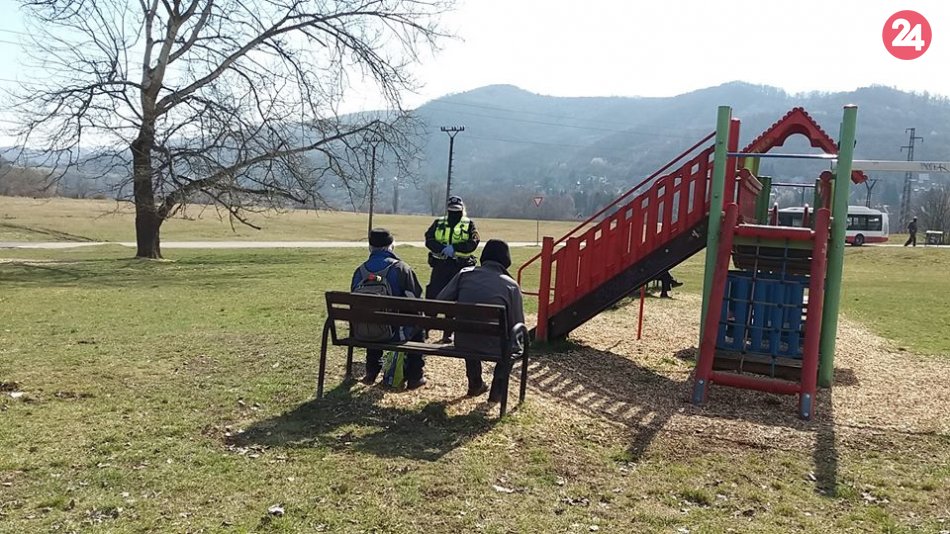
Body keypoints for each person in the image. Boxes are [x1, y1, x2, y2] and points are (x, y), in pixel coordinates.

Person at [437, 239, 525, 403]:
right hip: (495, 345)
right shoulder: (511, 286)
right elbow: (517, 324)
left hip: (464, 341)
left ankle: (475, 383)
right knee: (513, 346)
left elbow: (441, 301)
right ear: (506, 260)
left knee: (470, 328)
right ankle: (497, 391)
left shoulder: (464, 275)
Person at [351, 228, 426, 389]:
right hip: (394, 334)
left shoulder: (359, 271)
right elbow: (416, 302)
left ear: (370, 247)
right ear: (391, 246)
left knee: (372, 317)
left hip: (364, 332)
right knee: (418, 323)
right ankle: (415, 376)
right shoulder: (401, 269)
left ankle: (372, 371)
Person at [424, 195, 479, 341]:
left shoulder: (468, 224)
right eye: (452, 210)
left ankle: (447, 333)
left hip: (459, 266)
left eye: (457, 210)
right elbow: (429, 239)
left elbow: (473, 242)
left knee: (454, 299)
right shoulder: (438, 223)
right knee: (433, 297)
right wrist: (442, 248)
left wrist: (455, 248)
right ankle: (426, 329)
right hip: (440, 265)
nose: (454, 213)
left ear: (462, 210)